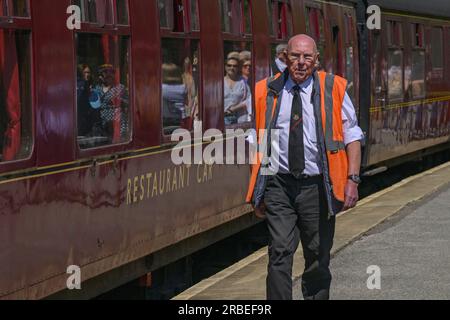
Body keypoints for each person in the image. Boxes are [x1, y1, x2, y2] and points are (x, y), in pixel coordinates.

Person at [246, 34, 364, 300]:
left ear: (317, 60)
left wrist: (352, 179)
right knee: (279, 252)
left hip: (318, 185)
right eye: (295, 56)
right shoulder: (267, 90)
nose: (301, 62)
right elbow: (260, 141)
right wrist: (258, 189)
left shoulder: (333, 88)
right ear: (284, 58)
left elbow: (352, 136)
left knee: (317, 256)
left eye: (307, 57)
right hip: (279, 184)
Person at [91, 64, 129, 142]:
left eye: (111, 72)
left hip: (117, 123)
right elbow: (93, 106)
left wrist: (119, 100)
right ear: (100, 75)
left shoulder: (120, 88)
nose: (109, 74)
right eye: (105, 72)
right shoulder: (96, 89)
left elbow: (128, 103)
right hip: (101, 124)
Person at [224, 55, 252, 125]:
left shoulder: (243, 82)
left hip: (240, 119)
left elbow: (249, 100)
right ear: (225, 67)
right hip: (223, 119)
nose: (232, 68)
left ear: (238, 68)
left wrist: (234, 108)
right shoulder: (220, 82)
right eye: (229, 65)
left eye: (235, 66)